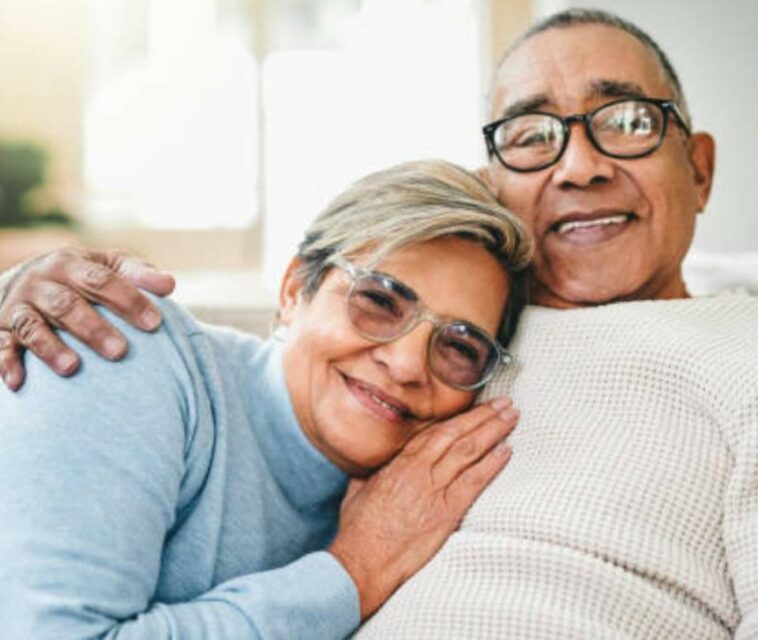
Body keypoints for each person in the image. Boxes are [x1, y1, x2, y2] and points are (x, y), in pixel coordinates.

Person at [1, 7, 757, 638]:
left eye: (627, 121)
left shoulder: (711, 350)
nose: (578, 165)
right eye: (531, 135)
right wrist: (351, 573)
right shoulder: (128, 346)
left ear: (699, 168)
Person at [0, 160, 531, 638]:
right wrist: (353, 571)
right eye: (379, 301)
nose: (409, 364)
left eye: (460, 345)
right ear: (294, 289)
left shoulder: (428, 498)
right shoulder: (120, 346)